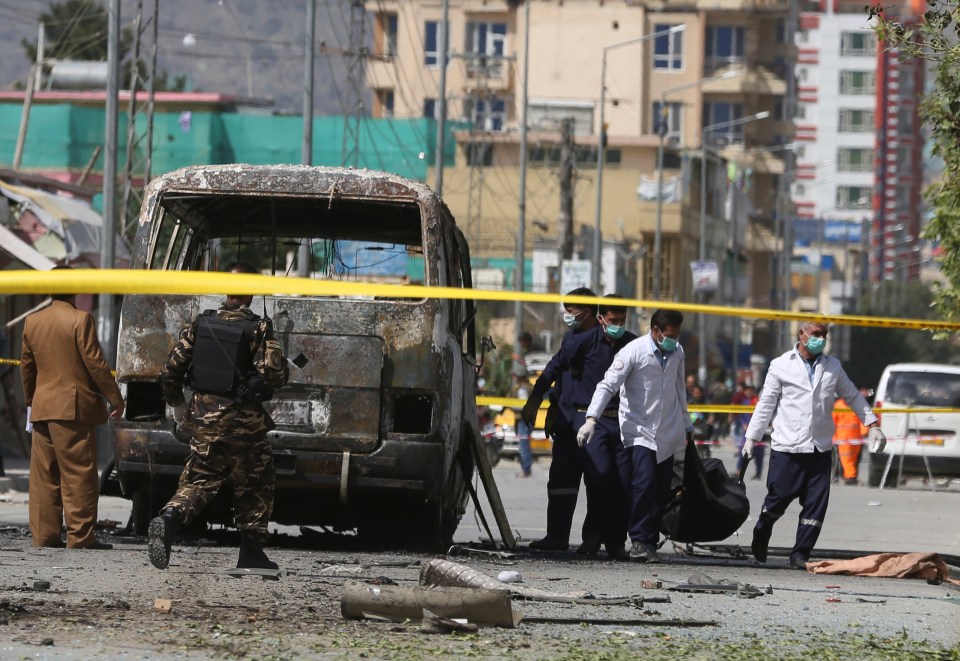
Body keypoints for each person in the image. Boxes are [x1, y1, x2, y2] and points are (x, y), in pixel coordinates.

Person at [148, 262, 289, 571]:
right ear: (251, 292)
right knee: (255, 483)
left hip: (203, 422)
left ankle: (170, 518)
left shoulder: (201, 323)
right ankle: (251, 552)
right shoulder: (258, 328)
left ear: (226, 289)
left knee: (199, 481)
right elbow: (274, 375)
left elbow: (170, 371)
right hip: (244, 427)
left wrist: (178, 406)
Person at [742, 321, 885, 569]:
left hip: (819, 448)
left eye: (824, 335)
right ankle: (763, 526)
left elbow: (852, 395)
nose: (821, 339)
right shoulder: (780, 365)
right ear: (802, 335)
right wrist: (751, 438)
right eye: (816, 334)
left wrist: (872, 424)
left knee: (816, 505)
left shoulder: (833, 367)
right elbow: (766, 404)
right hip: (787, 447)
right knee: (779, 497)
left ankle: (800, 554)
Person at [20, 264, 124, 550]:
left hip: (42, 408)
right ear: (75, 287)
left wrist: (32, 402)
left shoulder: (32, 322)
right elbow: (96, 365)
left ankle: (44, 536)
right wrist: (115, 397)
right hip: (72, 410)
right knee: (78, 474)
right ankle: (80, 537)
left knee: (43, 478)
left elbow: (27, 370)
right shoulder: (81, 319)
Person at [578, 308, 692, 562]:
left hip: (667, 431)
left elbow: (679, 388)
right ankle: (639, 539)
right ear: (655, 331)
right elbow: (607, 385)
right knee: (644, 484)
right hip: (638, 430)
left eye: (677, 335)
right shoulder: (633, 352)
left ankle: (649, 541)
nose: (673, 340)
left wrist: (686, 422)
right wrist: (591, 419)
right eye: (669, 335)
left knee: (662, 490)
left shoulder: (677, 352)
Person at [520, 288, 599, 552]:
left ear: (587, 312)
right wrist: (544, 404)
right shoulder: (572, 337)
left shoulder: (596, 340)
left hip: (592, 423)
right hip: (567, 422)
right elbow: (556, 371)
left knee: (597, 483)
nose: (568, 315)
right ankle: (557, 536)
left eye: (572, 310)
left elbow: (557, 366)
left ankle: (592, 540)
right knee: (561, 483)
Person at [832, 387, 869, 485]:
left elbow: (862, 419)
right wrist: (833, 437)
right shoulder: (838, 405)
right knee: (846, 458)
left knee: (853, 459)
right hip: (842, 439)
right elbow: (832, 422)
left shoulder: (857, 405)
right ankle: (850, 477)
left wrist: (864, 432)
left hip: (856, 439)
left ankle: (848, 476)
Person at [509, 364, 533, 477]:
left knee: (523, 446)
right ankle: (525, 469)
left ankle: (526, 470)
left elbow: (521, 405)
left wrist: (511, 406)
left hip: (523, 420)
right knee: (524, 444)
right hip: (526, 420)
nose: (514, 377)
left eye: (516, 374)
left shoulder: (523, 389)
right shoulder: (527, 386)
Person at [734, 384, 764, 479]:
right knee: (743, 451)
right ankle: (738, 471)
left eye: (750, 390)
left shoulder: (757, 402)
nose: (748, 392)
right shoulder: (744, 402)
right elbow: (741, 416)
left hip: (758, 431)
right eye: (747, 390)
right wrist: (743, 425)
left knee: (759, 454)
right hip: (746, 432)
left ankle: (758, 473)